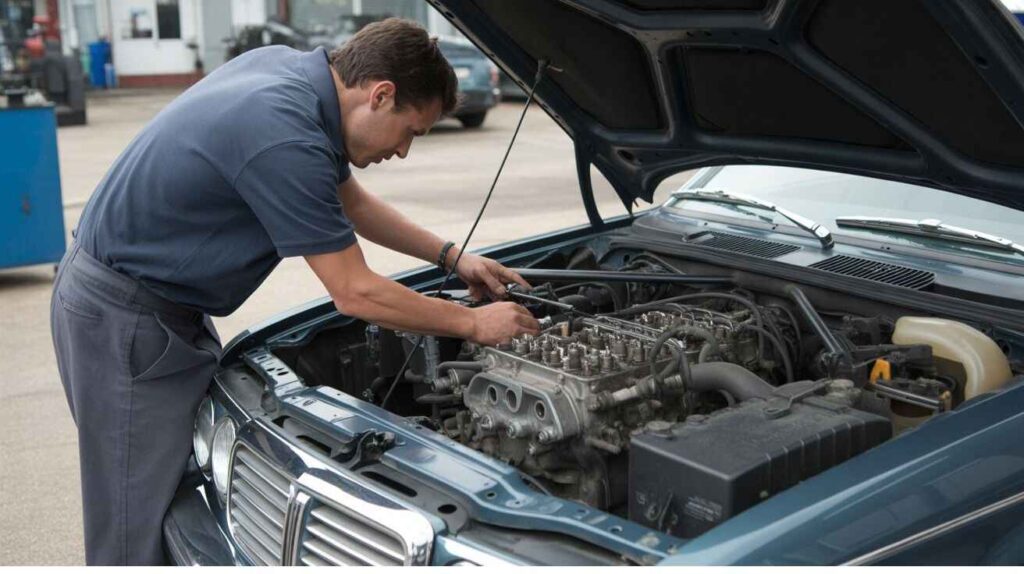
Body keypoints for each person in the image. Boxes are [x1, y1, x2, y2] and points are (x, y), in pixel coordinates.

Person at [50, 18, 540, 565]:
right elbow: (355, 293)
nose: (403, 151)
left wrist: (452, 257)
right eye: (411, 132)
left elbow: (351, 205)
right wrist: (475, 324)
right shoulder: (284, 133)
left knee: (172, 498)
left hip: (152, 304)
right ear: (381, 94)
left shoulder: (291, 76)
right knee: (132, 524)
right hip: (126, 319)